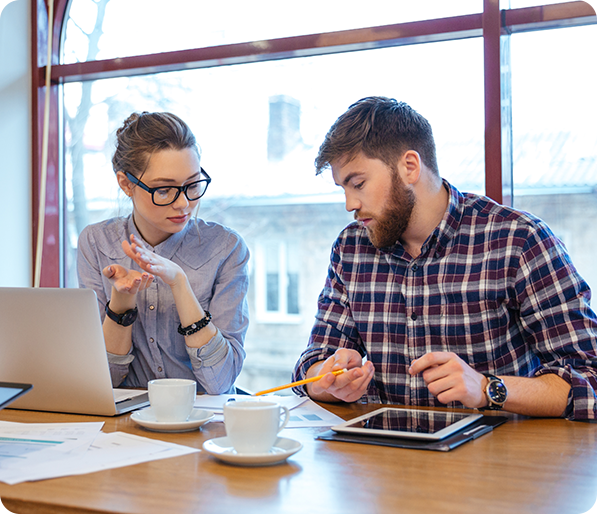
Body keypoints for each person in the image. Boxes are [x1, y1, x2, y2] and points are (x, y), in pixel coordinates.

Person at [292, 96, 597, 420]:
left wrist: (485, 388)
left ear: (409, 166)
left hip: (497, 463)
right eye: (343, 188)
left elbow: (589, 379)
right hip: (382, 462)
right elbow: (312, 367)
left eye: (358, 183)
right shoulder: (351, 249)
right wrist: (328, 381)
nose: (350, 204)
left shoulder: (518, 241)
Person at [77, 111, 249, 394]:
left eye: (192, 185)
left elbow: (220, 382)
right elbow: (102, 381)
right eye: (165, 189)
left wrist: (180, 284)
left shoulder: (226, 248)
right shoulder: (97, 243)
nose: (183, 203)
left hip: (204, 421)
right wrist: (121, 303)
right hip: (128, 423)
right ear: (126, 184)